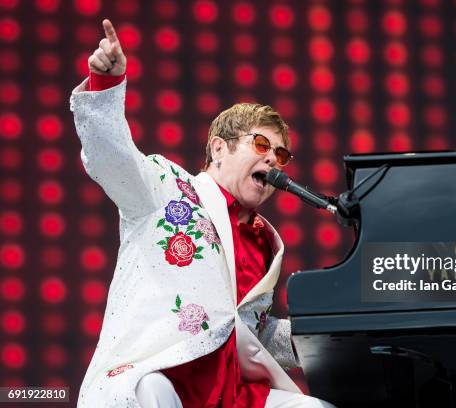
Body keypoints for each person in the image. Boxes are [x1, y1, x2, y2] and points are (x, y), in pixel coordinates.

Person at [70, 19, 335, 408]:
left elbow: (250, 333)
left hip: (231, 393)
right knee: (151, 390)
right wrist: (105, 84)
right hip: (163, 377)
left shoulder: (264, 242)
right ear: (218, 149)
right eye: (260, 144)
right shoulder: (167, 186)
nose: (272, 160)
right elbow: (114, 160)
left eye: (280, 154)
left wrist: (335, 331)